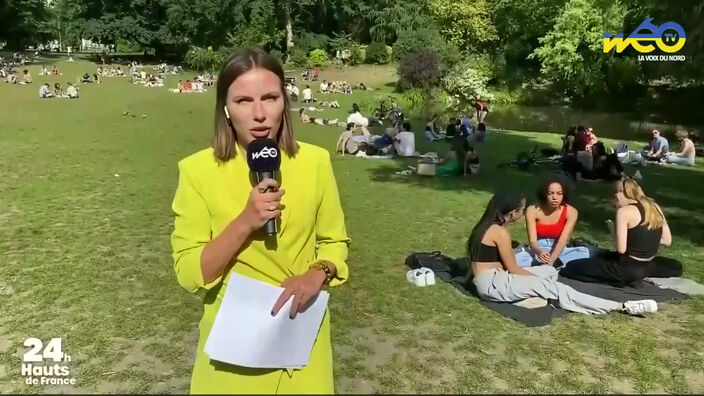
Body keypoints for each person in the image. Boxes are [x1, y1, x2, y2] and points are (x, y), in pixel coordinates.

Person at [171, 49, 350, 394]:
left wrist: (318, 273)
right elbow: (191, 273)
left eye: (270, 98)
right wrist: (244, 222)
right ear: (225, 108)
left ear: (285, 101)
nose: (259, 114)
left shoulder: (315, 162)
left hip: (302, 346)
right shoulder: (196, 172)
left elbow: (334, 242)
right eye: (243, 101)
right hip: (232, 357)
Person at [468, 193, 658, 315]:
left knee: (550, 271)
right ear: (513, 211)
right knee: (557, 288)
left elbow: (481, 263)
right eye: (522, 209)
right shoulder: (500, 233)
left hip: (492, 281)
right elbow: (514, 269)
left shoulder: (484, 227)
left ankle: (532, 297)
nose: (524, 212)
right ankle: (622, 306)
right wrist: (538, 281)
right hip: (494, 284)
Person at [561, 178, 682, 287]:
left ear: (618, 196)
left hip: (626, 269)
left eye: (614, 202)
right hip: (647, 265)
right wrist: (642, 238)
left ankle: (618, 281)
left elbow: (621, 249)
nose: (615, 206)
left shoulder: (624, 212)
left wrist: (613, 230)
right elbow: (667, 240)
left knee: (572, 267)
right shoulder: (654, 206)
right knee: (676, 266)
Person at [515, 176, 590, 268]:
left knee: (584, 253)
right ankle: (556, 265)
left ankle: (551, 264)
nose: (555, 197)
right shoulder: (532, 210)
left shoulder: (571, 212)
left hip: (559, 249)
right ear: (544, 194)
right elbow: (532, 241)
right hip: (539, 248)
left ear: (564, 195)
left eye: (559, 194)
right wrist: (539, 252)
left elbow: (563, 241)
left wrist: (551, 261)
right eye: (551, 193)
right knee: (517, 259)